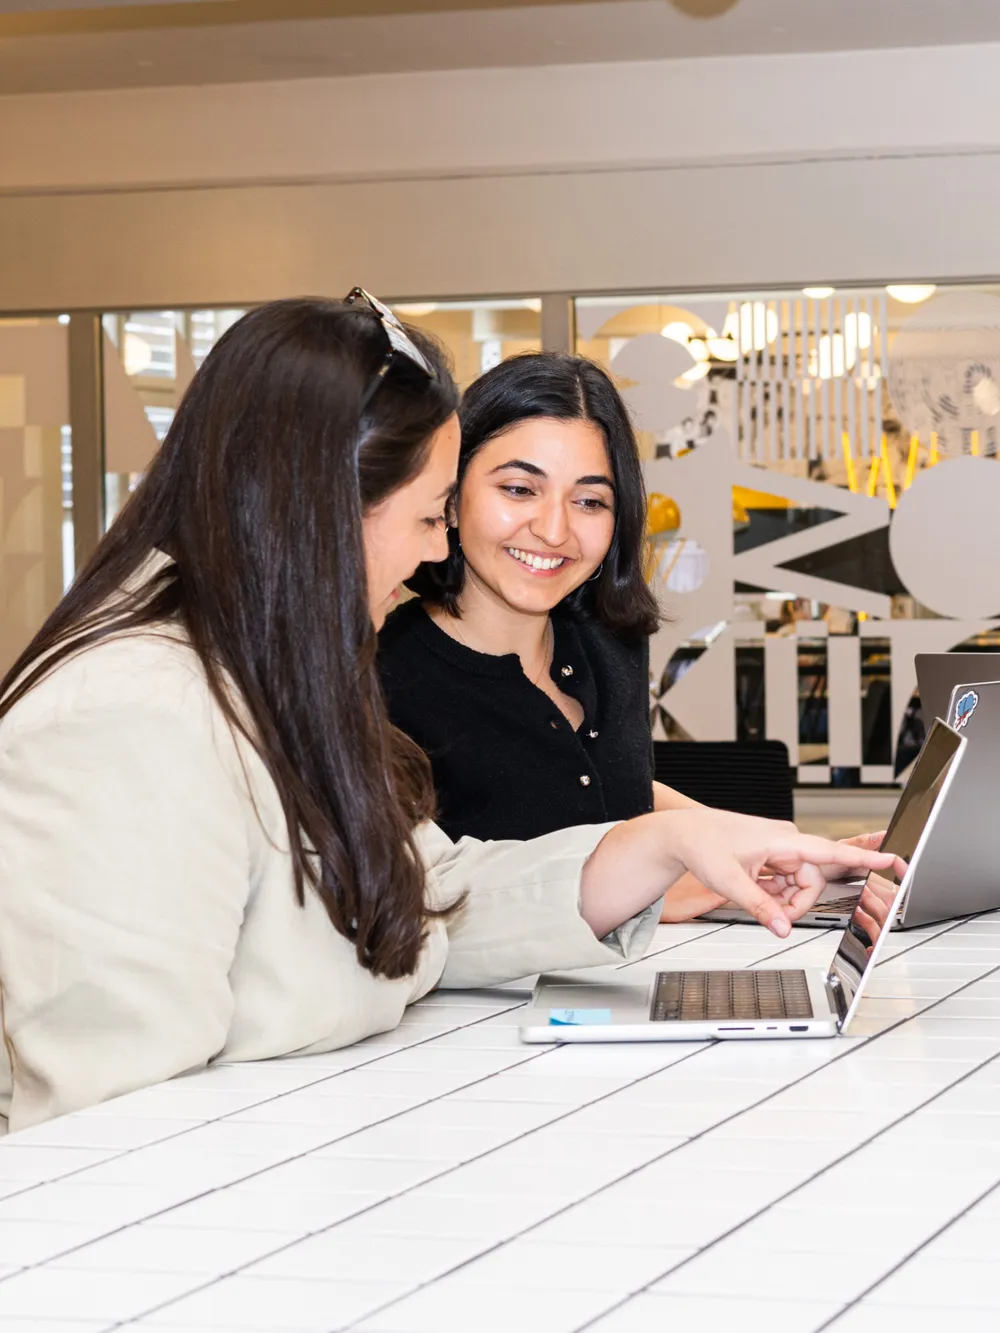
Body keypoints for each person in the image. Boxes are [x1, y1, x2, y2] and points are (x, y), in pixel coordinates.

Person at [0, 296, 897, 1134]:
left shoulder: (280, 681)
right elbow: (110, 1122)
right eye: (434, 515)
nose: (438, 549)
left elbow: (435, 901)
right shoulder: (126, 718)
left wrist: (660, 844)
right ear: (322, 506)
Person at [379, 353, 884, 921]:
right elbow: (429, 905)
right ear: (450, 496)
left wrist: (770, 849)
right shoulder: (383, 678)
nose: (553, 529)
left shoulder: (604, 642)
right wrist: (678, 885)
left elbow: (614, 793)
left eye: (590, 500)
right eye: (519, 489)